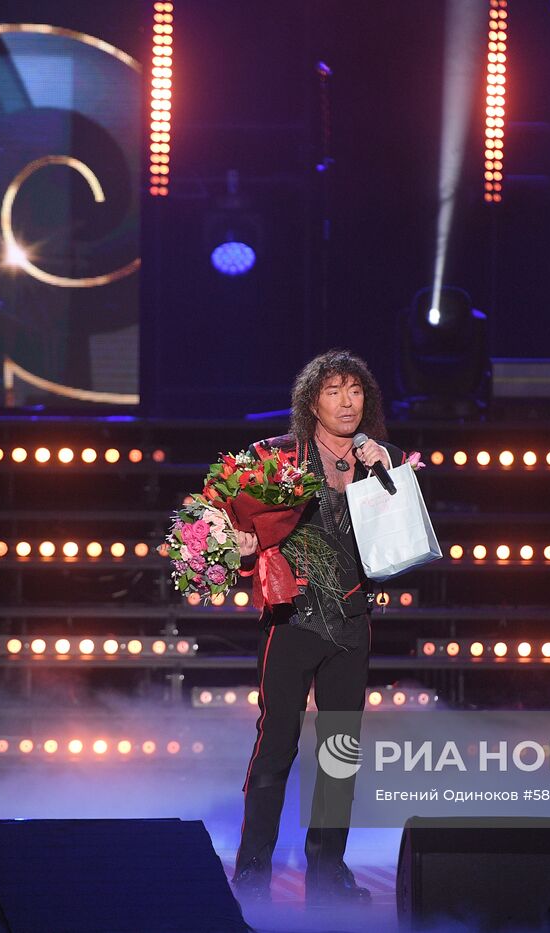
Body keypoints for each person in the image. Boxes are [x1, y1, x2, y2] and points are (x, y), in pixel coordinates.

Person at [230, 348, 402, 906]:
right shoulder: (277, 457)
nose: (347, 402)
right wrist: (243, 547)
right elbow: (232, 524)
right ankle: (252, 872)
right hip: (292, 621)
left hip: (352, 624)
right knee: (276, 747)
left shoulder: (387, 459)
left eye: (355, 390)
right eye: (334, 391)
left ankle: (328, 875)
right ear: (312, 402)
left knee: (338, 755)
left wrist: (389, 475)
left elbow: (405, 543)